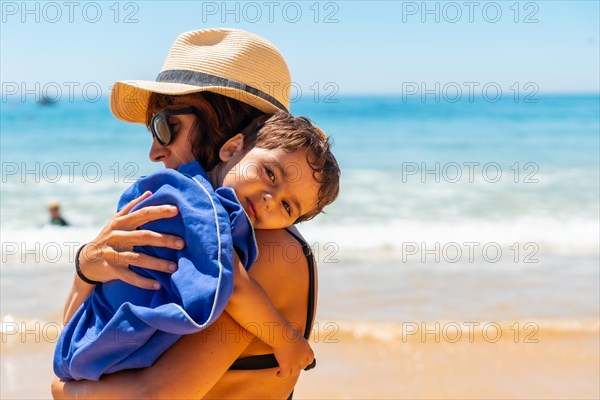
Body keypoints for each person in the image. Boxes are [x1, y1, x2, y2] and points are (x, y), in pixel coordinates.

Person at [52, 28, 337, 398]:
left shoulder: (263, 248)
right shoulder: (195, 231)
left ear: (226, 128)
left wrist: (64, 392)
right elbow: (84, 343)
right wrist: (87, 266)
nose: (154, 152)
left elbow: (152, 395)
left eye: (166, 126)